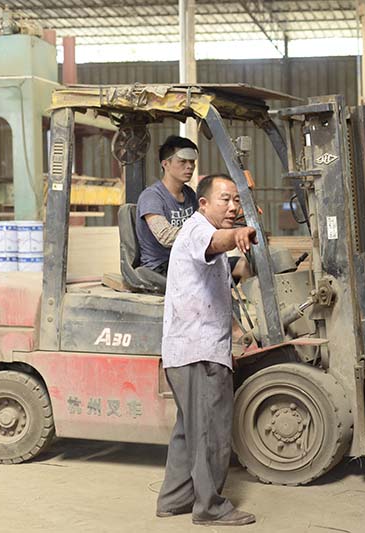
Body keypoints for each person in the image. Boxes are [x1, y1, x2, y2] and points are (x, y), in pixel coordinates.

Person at [156, 174, 257, 527]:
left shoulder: (200, 236)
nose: (233, 207)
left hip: (187, 351)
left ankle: (173, 499)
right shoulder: (198, 229)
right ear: (203, 203)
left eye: (236, 201)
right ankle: (210, 508)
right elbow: (217, 241)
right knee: (210, 431)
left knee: (189, 431)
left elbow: (225, 271)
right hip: (199, 352)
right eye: (225, 199)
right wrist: (237, 235)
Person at [135, 135, 199, 275]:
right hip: (160, 266)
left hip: (185, 260)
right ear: (165, 164)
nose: (189, 166)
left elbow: (203, 223)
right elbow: (166, 236)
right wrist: (207, 235)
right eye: (182, 161)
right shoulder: (152, 196)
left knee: (240, 265)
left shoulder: (190, 194)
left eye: (192, 162)